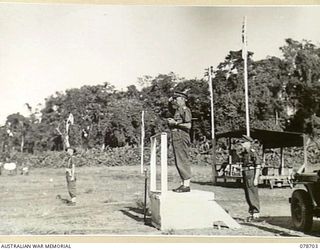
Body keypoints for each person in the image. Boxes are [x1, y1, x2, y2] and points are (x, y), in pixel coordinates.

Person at [167, 91, 192, 193]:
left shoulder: (185, 110)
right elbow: (170, 109)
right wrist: (169, 102)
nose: (175, 101)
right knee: (178, 160)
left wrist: (175, 123)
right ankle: (183, 184)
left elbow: (188, 125)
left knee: (182, 159)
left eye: (177, 99)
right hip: (177, 136)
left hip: (181, 136)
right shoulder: (178, 110)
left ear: (183, 99)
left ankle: (186, 185)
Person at [240, 135, 262, 222]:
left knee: (252, 193)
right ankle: (252, 213)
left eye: (243, 142)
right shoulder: (245, 153)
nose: (242, 144)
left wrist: (256, 178)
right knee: (248, 193)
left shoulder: (252, 152)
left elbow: (258, 164)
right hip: (246, 173)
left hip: (251, 174)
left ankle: (256, 213)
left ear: (248, 143)